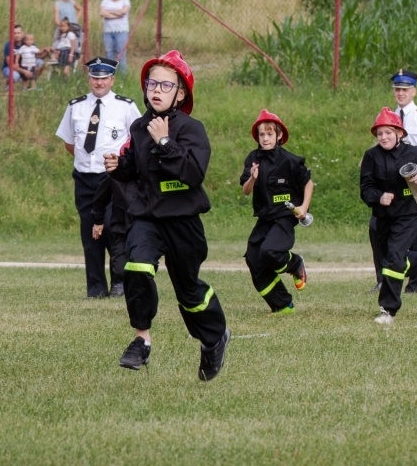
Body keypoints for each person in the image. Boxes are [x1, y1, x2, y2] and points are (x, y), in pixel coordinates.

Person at [104, 50, 231, 381]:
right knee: (136, 266)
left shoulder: (192, 129)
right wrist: (119, 167)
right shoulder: (139, 127)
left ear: (181, 93)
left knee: (189, 292)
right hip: (147, 218)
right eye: (151, 83)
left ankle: (214, 338)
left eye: (165, 85)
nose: (156, 90)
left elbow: (193, 174)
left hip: (183, 221)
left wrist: (164, 141)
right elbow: (136, 171)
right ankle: (141, 339)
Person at [55, 57, 141, 299]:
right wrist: (87, 161)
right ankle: (96, 288)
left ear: (112, 79)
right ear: (89, 79)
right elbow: (69, 143)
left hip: (113, 178)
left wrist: (122, 167)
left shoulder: (125, 107)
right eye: (95, 78)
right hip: (85, 179)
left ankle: (119, 282)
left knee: (114, 228)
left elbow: (138, 141)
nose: (99, 83)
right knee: (89, 233)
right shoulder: (76, 106)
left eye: (104, 78)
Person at [360, 108, 417, 325]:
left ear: (399, 133)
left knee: (393, 258)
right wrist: (379, 197)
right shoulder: (371, 156)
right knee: (391, 261)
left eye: (388, 132)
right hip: (383, 217)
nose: (384, 137)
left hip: (409, 215)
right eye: (380, 133)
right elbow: (366, 188)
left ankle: (388, 311)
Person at [368, 69, 417, 294]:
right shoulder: (388, 116)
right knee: (379, 229)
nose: (400, 93)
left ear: (414, 92)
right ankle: (383, 279)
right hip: (390, 185)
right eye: (397, 89)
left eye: (404, 89)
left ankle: (414, 283)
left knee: (414, 234)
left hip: (414, 184)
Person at [240, 109, 313, 315]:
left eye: (269, 134)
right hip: (265, 218)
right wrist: (252, 178)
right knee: (253, 258)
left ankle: (295, 263)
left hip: (284, 217)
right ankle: (282, 305)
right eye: (261, 134)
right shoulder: (253, 158)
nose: (265, 138)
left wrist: (304, 208)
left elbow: (308, 184)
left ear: (279, 135)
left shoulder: (289, 160)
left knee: (269, 251)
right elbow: (245, 190)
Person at [90, 140, 134, 298]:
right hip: (120, 224)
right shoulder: (114, 176)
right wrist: (98, 221)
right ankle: (118, 284)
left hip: (143, 223)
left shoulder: (148, 173)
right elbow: (100, 199)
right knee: (119, 257)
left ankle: (137, 285)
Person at [99, 0, 131, 74]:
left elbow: (123, 11)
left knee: (121, 53)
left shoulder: (125, 1)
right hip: (108, 31)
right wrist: (117, 14)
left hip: (121, 31)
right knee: (108, 53)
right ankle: (109, 74)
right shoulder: (105, 1)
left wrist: (109, 12)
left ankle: (123, 75)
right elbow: (102, 13)